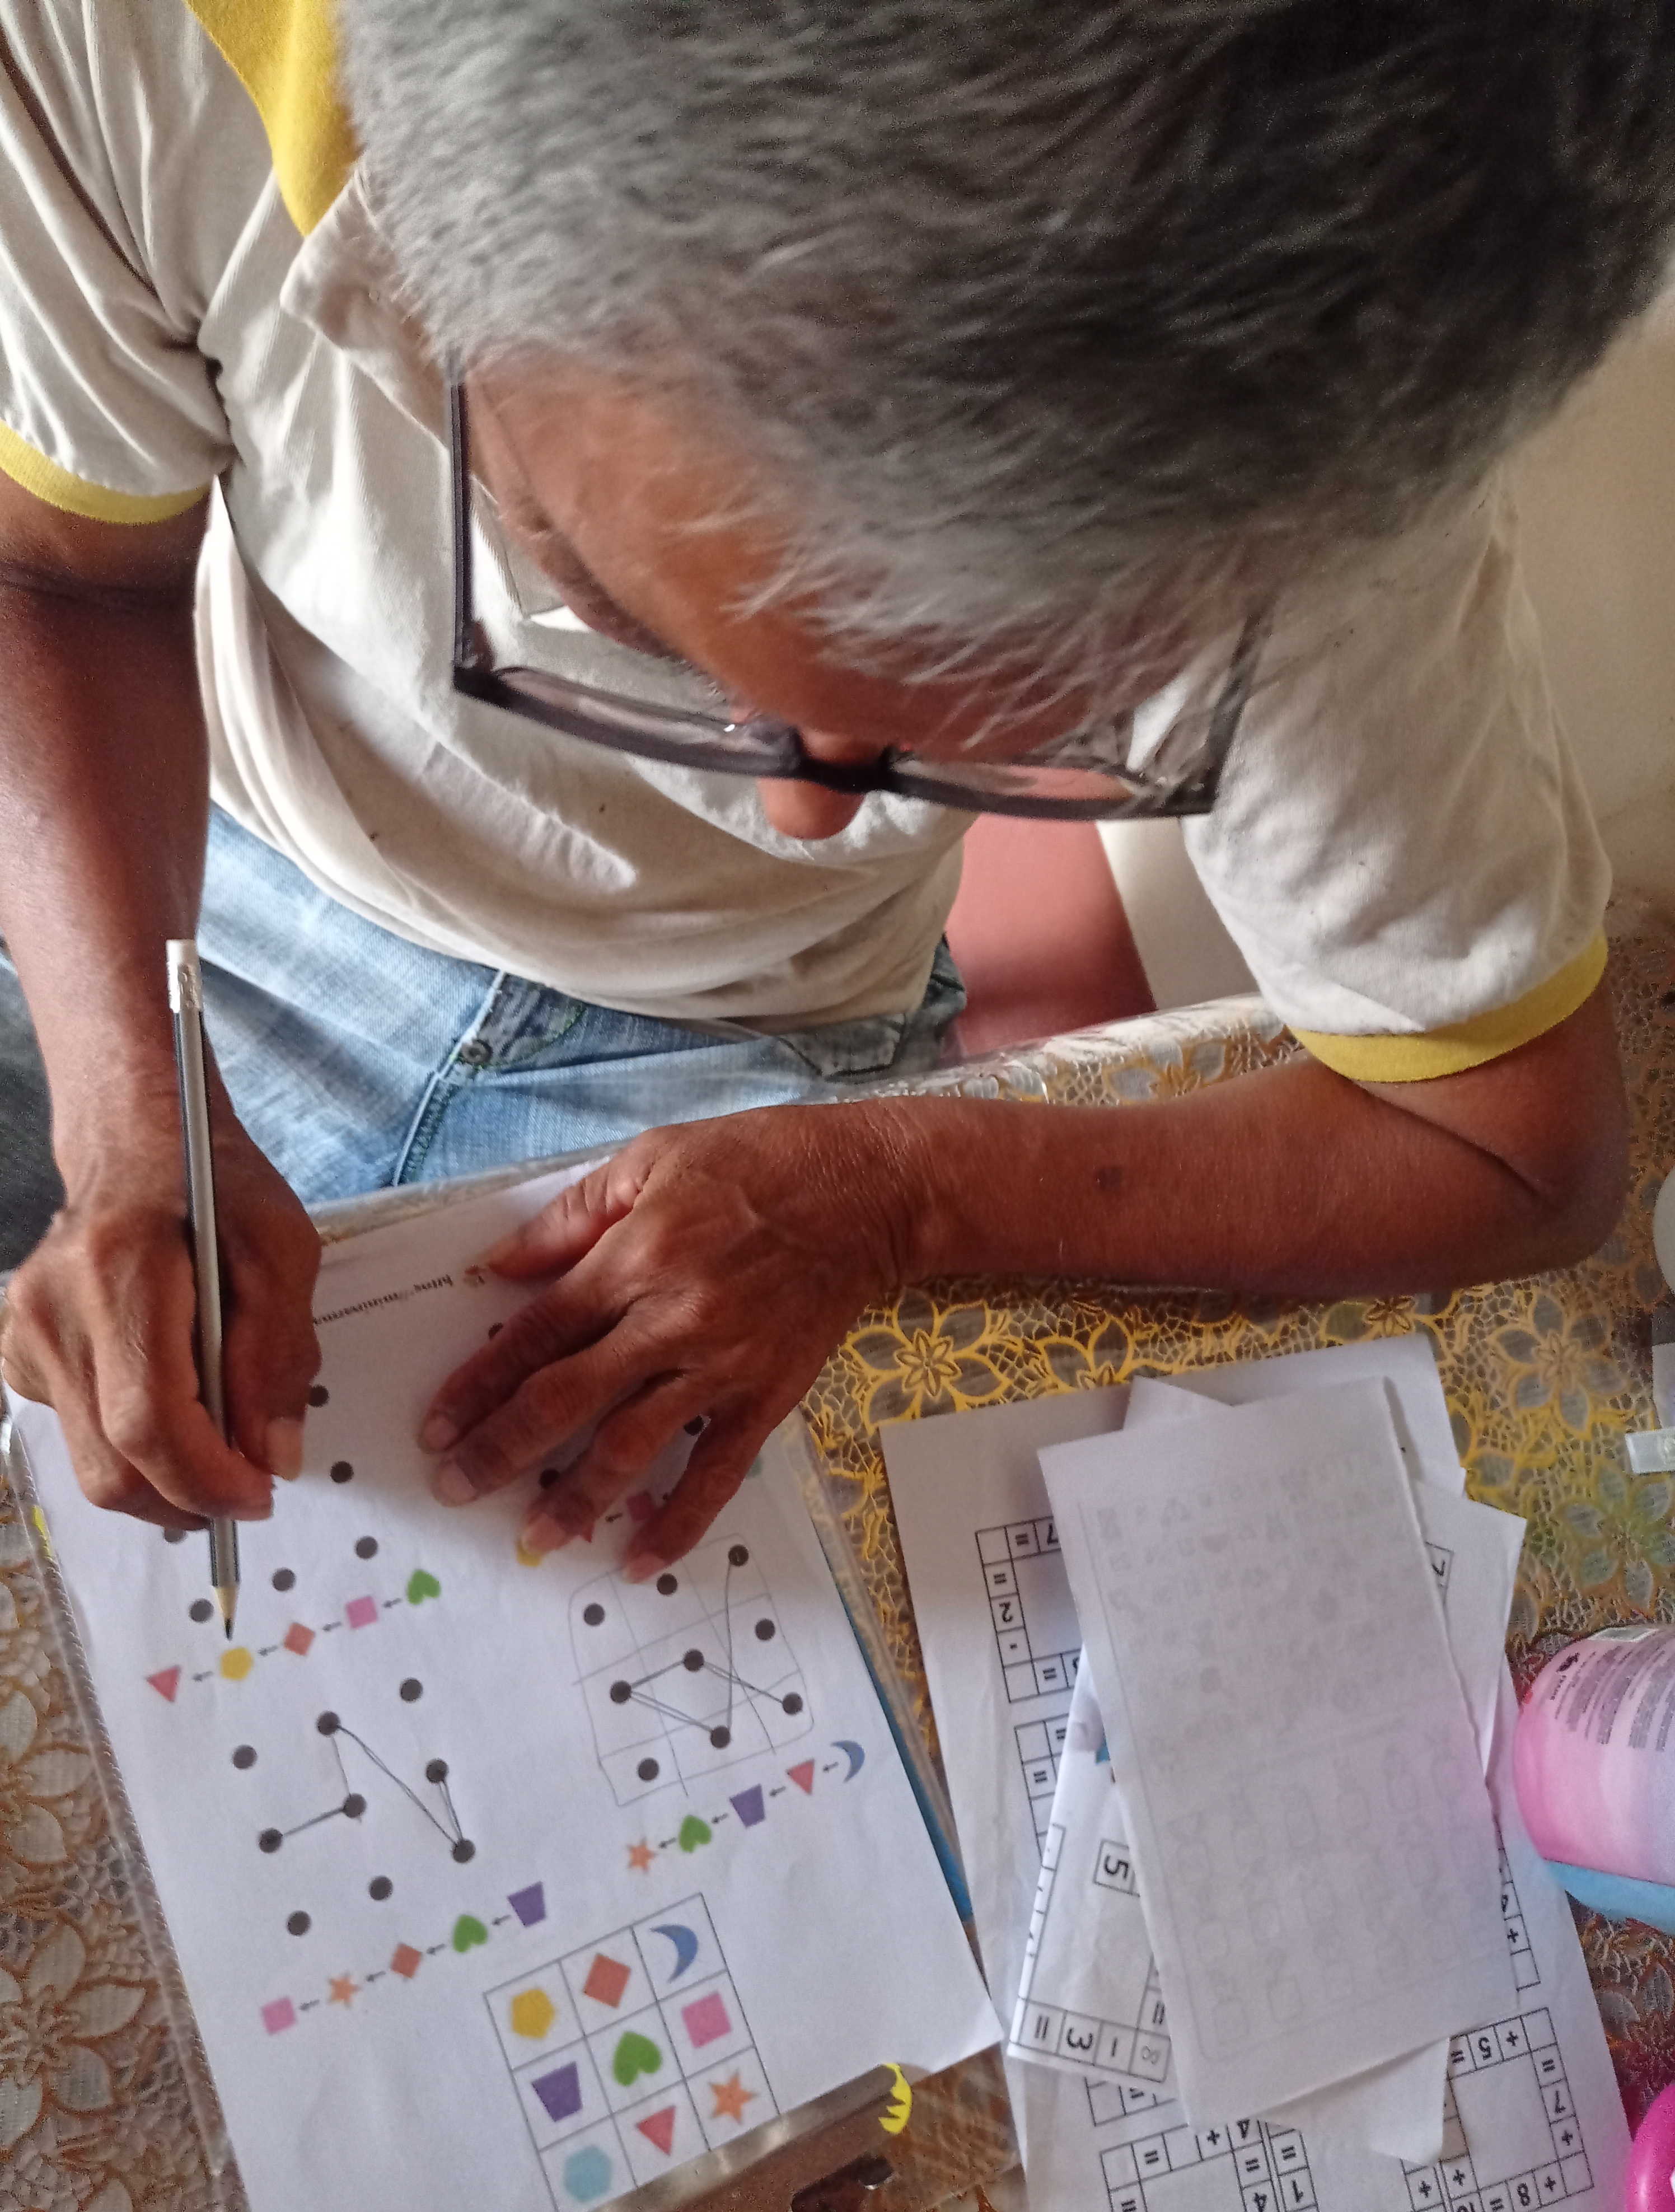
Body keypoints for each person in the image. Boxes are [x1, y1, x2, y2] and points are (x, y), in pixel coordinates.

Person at [0, 0, 1671, 1575]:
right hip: (196, 842)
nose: (808, 826)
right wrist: (130, 1108)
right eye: (633, 614)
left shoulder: (1311, 434)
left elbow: (1522, 1151)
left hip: (735, 1038)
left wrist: (893, 1185)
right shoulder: (150, 44)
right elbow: (56, 573)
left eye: (985, 719)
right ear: (424, 260)